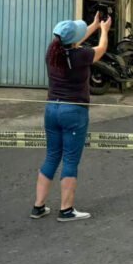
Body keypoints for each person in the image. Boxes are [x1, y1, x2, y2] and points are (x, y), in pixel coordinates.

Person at [30, 12, 112, 222]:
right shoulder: (81, 55)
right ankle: (66, 209)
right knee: (70, 160)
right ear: (75, 40)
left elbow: (72, 40)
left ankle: (38, 206)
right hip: (73, 111)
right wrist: (103, 30)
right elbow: (101, 49)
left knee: (51, 156)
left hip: (52, 109)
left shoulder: (52, 51)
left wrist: (92, 25)